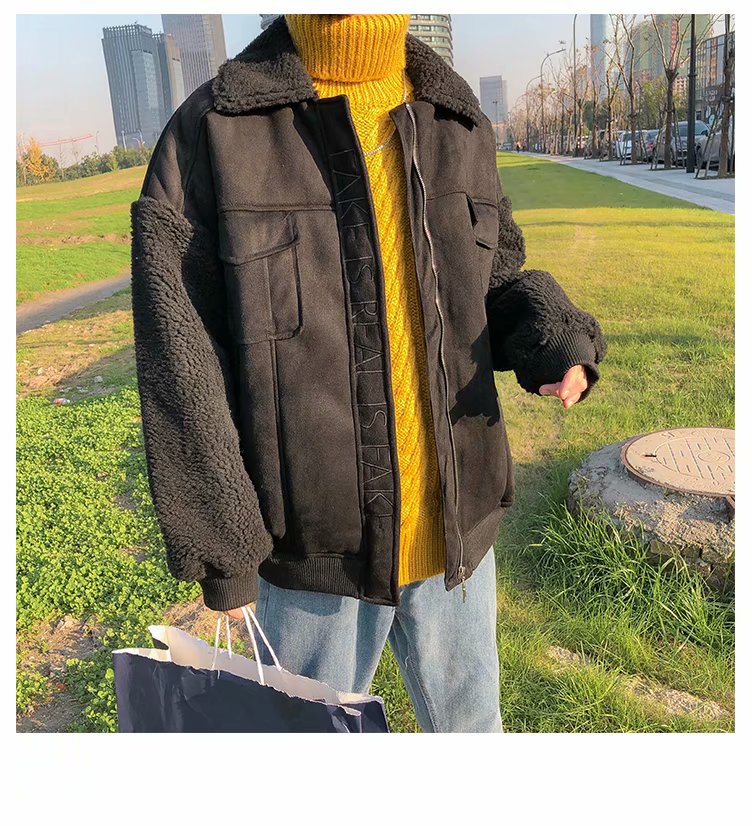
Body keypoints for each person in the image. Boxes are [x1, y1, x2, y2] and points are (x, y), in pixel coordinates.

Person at [130, 14, 607, 733]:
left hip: (458, 533)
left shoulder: (458, 120)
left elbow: (492, 278)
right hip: (314, 557)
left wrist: (554, 339)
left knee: (474, 740)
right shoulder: (215, 132)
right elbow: (180, 352)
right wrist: (223, 547)